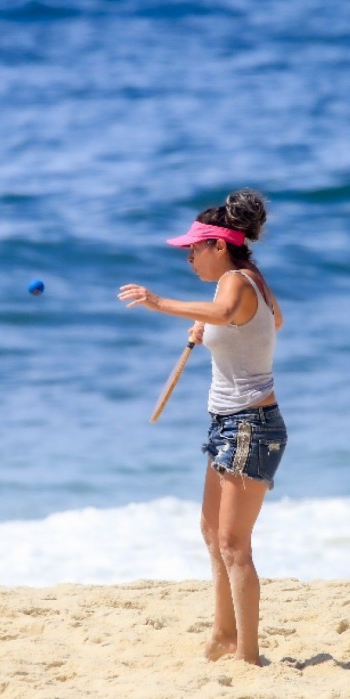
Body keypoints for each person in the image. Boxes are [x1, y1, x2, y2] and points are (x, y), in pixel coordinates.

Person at [119, 188, 287, 666]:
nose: (189, 257)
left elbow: (231, 313)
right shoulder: (248, 280)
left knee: (234, 545)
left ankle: (249, 656)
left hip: (250, 424)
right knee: (212, 531)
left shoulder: (235, 280)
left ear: (218, 245)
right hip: (228, 424)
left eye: (194, 249)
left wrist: (159, 303)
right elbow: (272, 321)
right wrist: (211, 329)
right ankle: (223, 636)